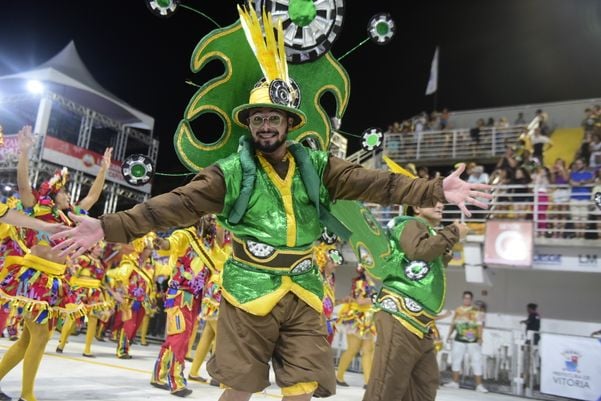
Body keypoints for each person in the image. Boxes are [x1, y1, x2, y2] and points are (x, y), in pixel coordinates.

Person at [51, 7, 491, 400]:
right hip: (249, 288)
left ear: (288, 123)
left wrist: (436, 190)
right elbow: (172, 205)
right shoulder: (231, 172)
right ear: (249, 123)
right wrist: (106, 227)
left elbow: (377, 184)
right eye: (258, 118)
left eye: (272, 118)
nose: (265, 125)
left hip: (302, 289)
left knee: (300, 388)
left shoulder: (318, 167)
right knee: (240, 387)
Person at [0, 125, 110, 401]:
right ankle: (27, 396)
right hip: (34, 278)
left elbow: (93, 197)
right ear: (53, 193)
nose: (69, 197)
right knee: (39, 337)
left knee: (29, 339)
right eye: (64, 193)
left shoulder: (71, 218)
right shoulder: (36, 207)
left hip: (57, 281)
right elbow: (24, 184)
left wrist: (104, 170)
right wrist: (25, 151)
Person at [362, 202, 468, 401]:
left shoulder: (427, 231)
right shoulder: (408, 223)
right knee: (387, 384)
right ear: (416, 207)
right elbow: (418, 251)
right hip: (401, 315)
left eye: (441, 201)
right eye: (432, 201)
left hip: (421, 323)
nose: (439, 205)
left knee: (424, 385)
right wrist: (452, 232)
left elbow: (423, 264)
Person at [150, 222, 213, 397]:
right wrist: (164, 244)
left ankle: (158, 374)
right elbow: (173, 242)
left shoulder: (207, 243)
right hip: (180, 295)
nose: (213, 221)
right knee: (180, 337)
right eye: (209, 217)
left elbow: (220, 261)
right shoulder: (187, 235)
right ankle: (176, 380)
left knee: (177, 337)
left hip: (194, 298)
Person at [56, 241, 116, 357]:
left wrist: (111, 293)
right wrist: (72, 266)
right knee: (71, 318)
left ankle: (87, 349)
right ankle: (61, 344)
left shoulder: (101, 264)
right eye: (98, 247)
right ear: (92, 248)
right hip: (81, 292)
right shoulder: (83, 258)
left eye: (101, 248)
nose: (100, 249)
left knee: (93, 320)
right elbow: (73, 270)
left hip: (95, 293)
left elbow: (103, 281)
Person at [335, 266, 376, 388]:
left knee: (368, 351)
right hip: (356, 319)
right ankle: (339, 376)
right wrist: (376, 299)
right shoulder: (360, 283)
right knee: (353, 349)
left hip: (367, 320)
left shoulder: (370, 283)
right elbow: (360, 301)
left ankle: (368, 382)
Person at [444, 291, 488, 393]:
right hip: (459, 339)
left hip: (473, 340)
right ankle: (455, 382)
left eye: (468, 298)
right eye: (465, 298)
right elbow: (453, 324)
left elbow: (480, 325)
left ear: (471, 299)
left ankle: (479, 385)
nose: (466, 300)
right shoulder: (458, 310)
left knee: (476, 361)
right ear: (463, 298)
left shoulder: (478, 310)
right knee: (456, 360)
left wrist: (481, 337)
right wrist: (449, 335)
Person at [569, 158, 594, 239]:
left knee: (584, 219)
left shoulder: (589, 174)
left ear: (584, 164)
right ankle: (577, 236)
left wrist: (584, 182)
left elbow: (592, 180)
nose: (578, 165)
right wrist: (581, 182)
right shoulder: (573, 173)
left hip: (585, 198)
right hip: (574, 198)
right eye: (576, 164)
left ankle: (582, 237)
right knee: (575, 218)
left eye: (579, 163)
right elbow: (571, 183)